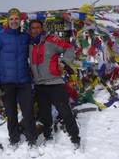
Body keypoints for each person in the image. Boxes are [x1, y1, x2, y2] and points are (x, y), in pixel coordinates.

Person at [28, 19, 81, 149]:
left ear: (42, 29)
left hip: (55, 83)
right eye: (33, 28)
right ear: (30, 30)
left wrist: (64, 63)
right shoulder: (28, 44)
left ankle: (75, 138)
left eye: (38, 27)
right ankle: (48, 136)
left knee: (65, 111)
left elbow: (69, 48)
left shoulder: (51, 40)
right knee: (45, 114)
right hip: (40, 85)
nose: (35, 30)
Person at [0, 8, 37, 147]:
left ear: (20, 21)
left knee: (28, 111)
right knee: (11, 113)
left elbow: (38, 43)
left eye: (16, 19)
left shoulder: (25, 37)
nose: (14, 21)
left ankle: (32, 139)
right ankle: (14, 139)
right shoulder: (0, 37)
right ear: (7, 21)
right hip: (6, 82)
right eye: (11, 19)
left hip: (24, 82)